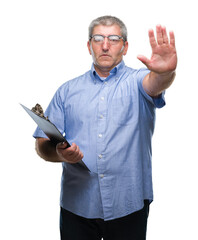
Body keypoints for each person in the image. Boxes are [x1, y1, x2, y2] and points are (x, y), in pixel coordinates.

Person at [34, 15, 177, 240]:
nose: (105, 45)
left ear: (125, 46)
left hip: (128, 205)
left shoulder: (139, 81)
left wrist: (164, 72)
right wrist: (61, 155)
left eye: (114, 38)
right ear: (89, 45)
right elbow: (42, 144)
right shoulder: (67, 91)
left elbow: (155, 84)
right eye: (98, 38)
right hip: (77, 207)